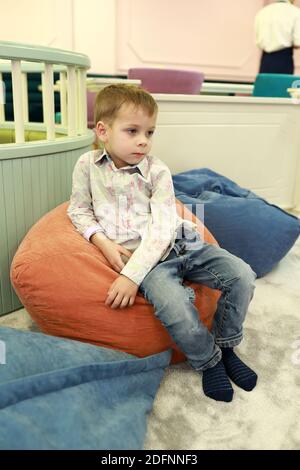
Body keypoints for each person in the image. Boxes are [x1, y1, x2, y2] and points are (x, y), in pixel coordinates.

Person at [68, 84, 257, 403]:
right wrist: (101, 241)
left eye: (150, 132)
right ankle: (208, 360)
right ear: (103, 130)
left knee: (242, 276)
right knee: (175, 308)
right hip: (149, 261)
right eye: (133, 130)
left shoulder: (157, 170)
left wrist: (130, 276)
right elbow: (78, 209)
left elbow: (164, 224)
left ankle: (226, 347)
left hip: (181, 243)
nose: (144, 140)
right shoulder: (87, 166)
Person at [255, 0, 300, 74]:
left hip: (265, 59)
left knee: (266, 84)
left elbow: (258, 39)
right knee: (282, 84)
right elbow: (297, 42)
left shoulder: (263, 12)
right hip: (284, 59)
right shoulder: (295, 12)